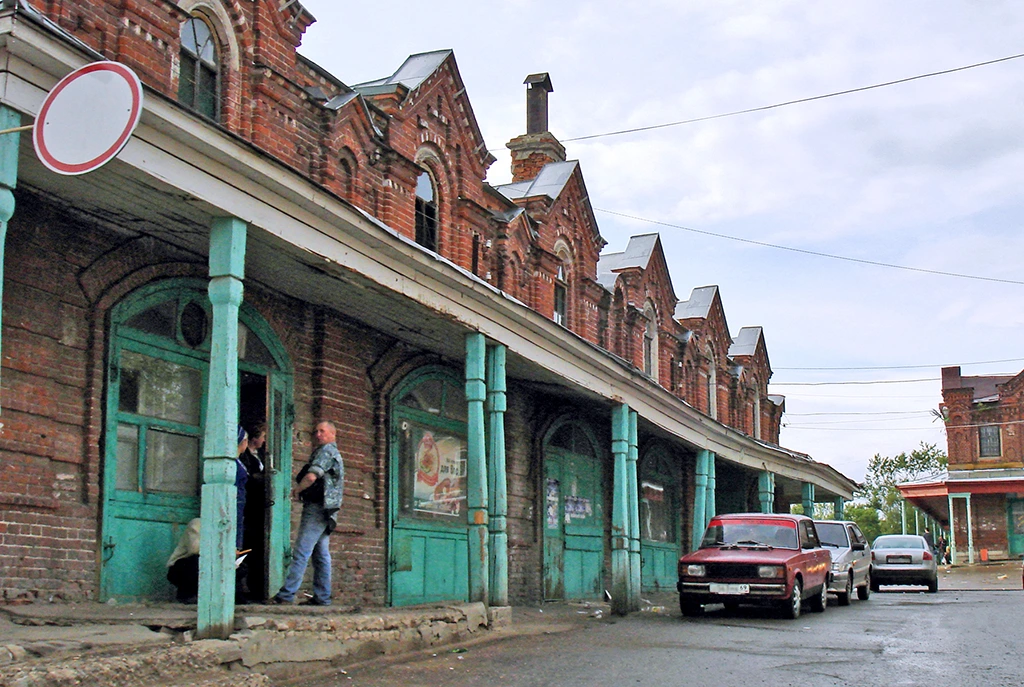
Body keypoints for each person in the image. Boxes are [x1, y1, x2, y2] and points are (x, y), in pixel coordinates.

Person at [272, 421, 344, 606]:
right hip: (328, 510)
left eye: (322, 431)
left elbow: (312, 476)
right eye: (316, 431)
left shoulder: (326, 451)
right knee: (321, 554)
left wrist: (297, 490)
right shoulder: (333, 452)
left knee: (302, 552)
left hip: (317, 507)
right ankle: (322, 597)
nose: (318, 434)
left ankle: (286, 595)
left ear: (333, 434)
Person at [239, 421, 269, 601]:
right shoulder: (244, 456)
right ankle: (244, 588)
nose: (265, 441)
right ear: (255, 437)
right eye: (263, 437)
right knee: (247, 546)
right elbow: (248, 479)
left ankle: (256, 588)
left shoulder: (261, 455)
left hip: (260, 507)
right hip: (249, 505)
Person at [166, 518, 201, 603]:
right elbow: (194, 549)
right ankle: (187, 595)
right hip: (181, 567)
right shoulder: (198, 523)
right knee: (197, 561)